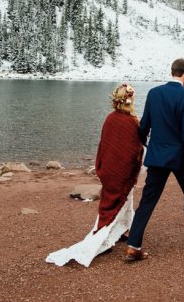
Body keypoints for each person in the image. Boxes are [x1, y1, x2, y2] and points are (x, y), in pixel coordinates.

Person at [46, 83, 144, 267]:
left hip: (109, 170)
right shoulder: (132, 122)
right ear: (130, 100)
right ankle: (103, 239)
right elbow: (134, 149)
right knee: (119, 202)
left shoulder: (110, 118)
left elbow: (104, 146)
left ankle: (124, 229)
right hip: (122, 173)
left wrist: (102, 167)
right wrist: (135, 165)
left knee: (123, 202)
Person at [125, 58, 184, 261]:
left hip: (158, 156)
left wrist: (150, 147)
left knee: (148, 200)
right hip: (181, 157)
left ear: (172, 71)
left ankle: (133, 245)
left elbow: (144, 126)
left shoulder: (154, 93)